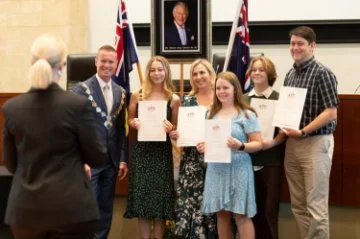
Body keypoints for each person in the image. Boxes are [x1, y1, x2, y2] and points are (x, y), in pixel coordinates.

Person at [2, 34, 108, 239]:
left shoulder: (11, 108)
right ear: (62, 65)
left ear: (32, 63)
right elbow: (97, 156)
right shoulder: (77, 105)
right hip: (72, 211)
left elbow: (11, 163)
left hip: (25, 213)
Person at [282, 26, 339, 239]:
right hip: (292, 144)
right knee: (298, 205)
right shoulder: (290, 74)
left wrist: (303, 131)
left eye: (300, 44)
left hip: (315, 142)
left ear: (312, 46)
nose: (295, 48)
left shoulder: (323, 73)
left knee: (316, 207)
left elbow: (331, 112)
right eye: (292, 44)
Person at [72, 45, 128, 239]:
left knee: (105, 209)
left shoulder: (120, 92)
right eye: (102, 60)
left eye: (110, 61)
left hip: (111, 162)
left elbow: (121, 130)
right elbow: (74, 128)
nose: (106, 65)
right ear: (96, 62)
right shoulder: (81, 89)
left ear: (116, 64)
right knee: (88, 210)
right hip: (90, 163)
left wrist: (122, 159)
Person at [199, 71, 263, 239]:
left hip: (239, 168)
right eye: (218, 88)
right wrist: (204, 145)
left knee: (241, 215)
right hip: (216, 169)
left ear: (235, 89)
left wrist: (241, 145)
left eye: (225, 87)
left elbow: (258, 143)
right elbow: (211, 140)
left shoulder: (247, 113)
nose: (221, 91)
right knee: (221, 215)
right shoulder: (210, 114)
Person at [124, 56, 181, 239]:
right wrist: (134, 122)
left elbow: (176, 130)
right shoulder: (137, 95)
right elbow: (130, 120)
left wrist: (171, 128)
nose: (157, 73)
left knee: (160, 203)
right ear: (148, 72)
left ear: (166, 72)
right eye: (153, 70)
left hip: (161, 154)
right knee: (143, 203)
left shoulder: (173, 99)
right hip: (142, 153)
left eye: (160, 69)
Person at [169, 59, 217, 238]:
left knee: (212, 205)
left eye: (202, 72)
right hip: (191, 162)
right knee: (189, 204)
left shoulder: (221, 97)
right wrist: (176, 134)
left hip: (215, 161)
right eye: (195, 74)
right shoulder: (187, 101)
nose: (198, 77)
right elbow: (183, 130)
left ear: (210, 74)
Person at [243, 56, 286, 239]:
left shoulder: (280, 98)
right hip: (247, 161)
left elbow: (284, 130)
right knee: (251, 211)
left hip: (272, 161)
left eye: (261, 69)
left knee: (269, 211)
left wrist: (274, 142)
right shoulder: (244, 99)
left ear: (269, 73)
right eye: (254, 70)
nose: (257, 73)